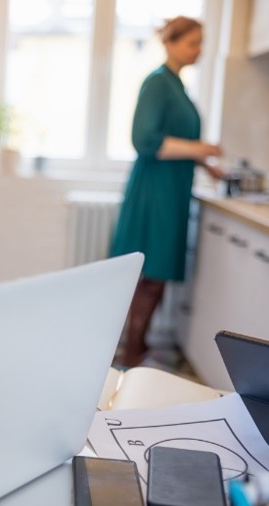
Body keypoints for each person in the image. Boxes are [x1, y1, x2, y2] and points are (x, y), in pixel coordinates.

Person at [111, 16, 224, 368]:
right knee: (151, 272)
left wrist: (206, 163)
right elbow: (146, 141)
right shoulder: (158, 83)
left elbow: (179, 141)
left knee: (156, 273)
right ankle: (132, 351)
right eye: (193, 43)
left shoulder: (176, 84)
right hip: (155, 190)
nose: (199, 50)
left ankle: (138, 346)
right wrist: (201, 150)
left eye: (201, 43)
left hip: (172, 189)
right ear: (171, 43)